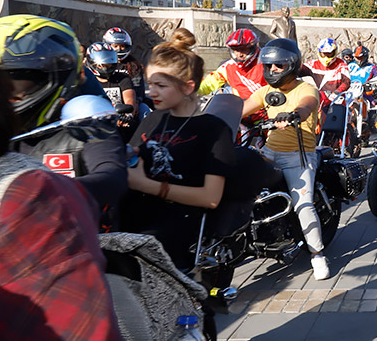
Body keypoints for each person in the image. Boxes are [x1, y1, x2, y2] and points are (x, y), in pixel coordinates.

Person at [0, 69, 134, 341]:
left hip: (82, 238)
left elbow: (111, 175)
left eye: (27, 81)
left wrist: (72, 194)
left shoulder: (83, 125)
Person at [122, 29, 235, 270]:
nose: (151, 92)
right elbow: (129, 158)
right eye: (150, 84)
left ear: (187, 87)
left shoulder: (214, 129)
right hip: (135, 214)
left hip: (179, 228)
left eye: (160, 85)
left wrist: (147, 186)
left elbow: (211, 198)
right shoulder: (153, 119)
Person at [0, 15, 127, 213]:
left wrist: (48, 193)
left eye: (14, 82)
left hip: (75, 236)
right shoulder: (3, 125)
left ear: (54, 76)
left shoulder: (85, 118)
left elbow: (111, 175)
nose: (5, 94)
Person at [242, 38, 331, 281]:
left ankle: (318, 255)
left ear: (291, 65)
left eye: (278, 66)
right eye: (269, 66)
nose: (272, 71)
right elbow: (242, 107)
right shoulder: (266, 91)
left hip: (299, 157)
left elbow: (307, 105)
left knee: (303, 205)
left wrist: (294, 115)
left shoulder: (306, 89)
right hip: (269, 153)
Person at [198, 28, 266, 100]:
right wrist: (189, 89)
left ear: (253, 48)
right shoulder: (228, 67)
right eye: (236, 50)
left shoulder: (266, 64)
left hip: (266, 107)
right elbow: (208, 84)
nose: (239, 54)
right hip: (241, 108)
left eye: (243, 49)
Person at [103, 26, 147, 100]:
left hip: (130, 100)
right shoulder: (102, 64)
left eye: (122, 46)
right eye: (115, 46)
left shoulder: (134, 66)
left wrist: (136, 101)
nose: (119, 49)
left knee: (144, 108)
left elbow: (138, 88)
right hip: (107, 100)